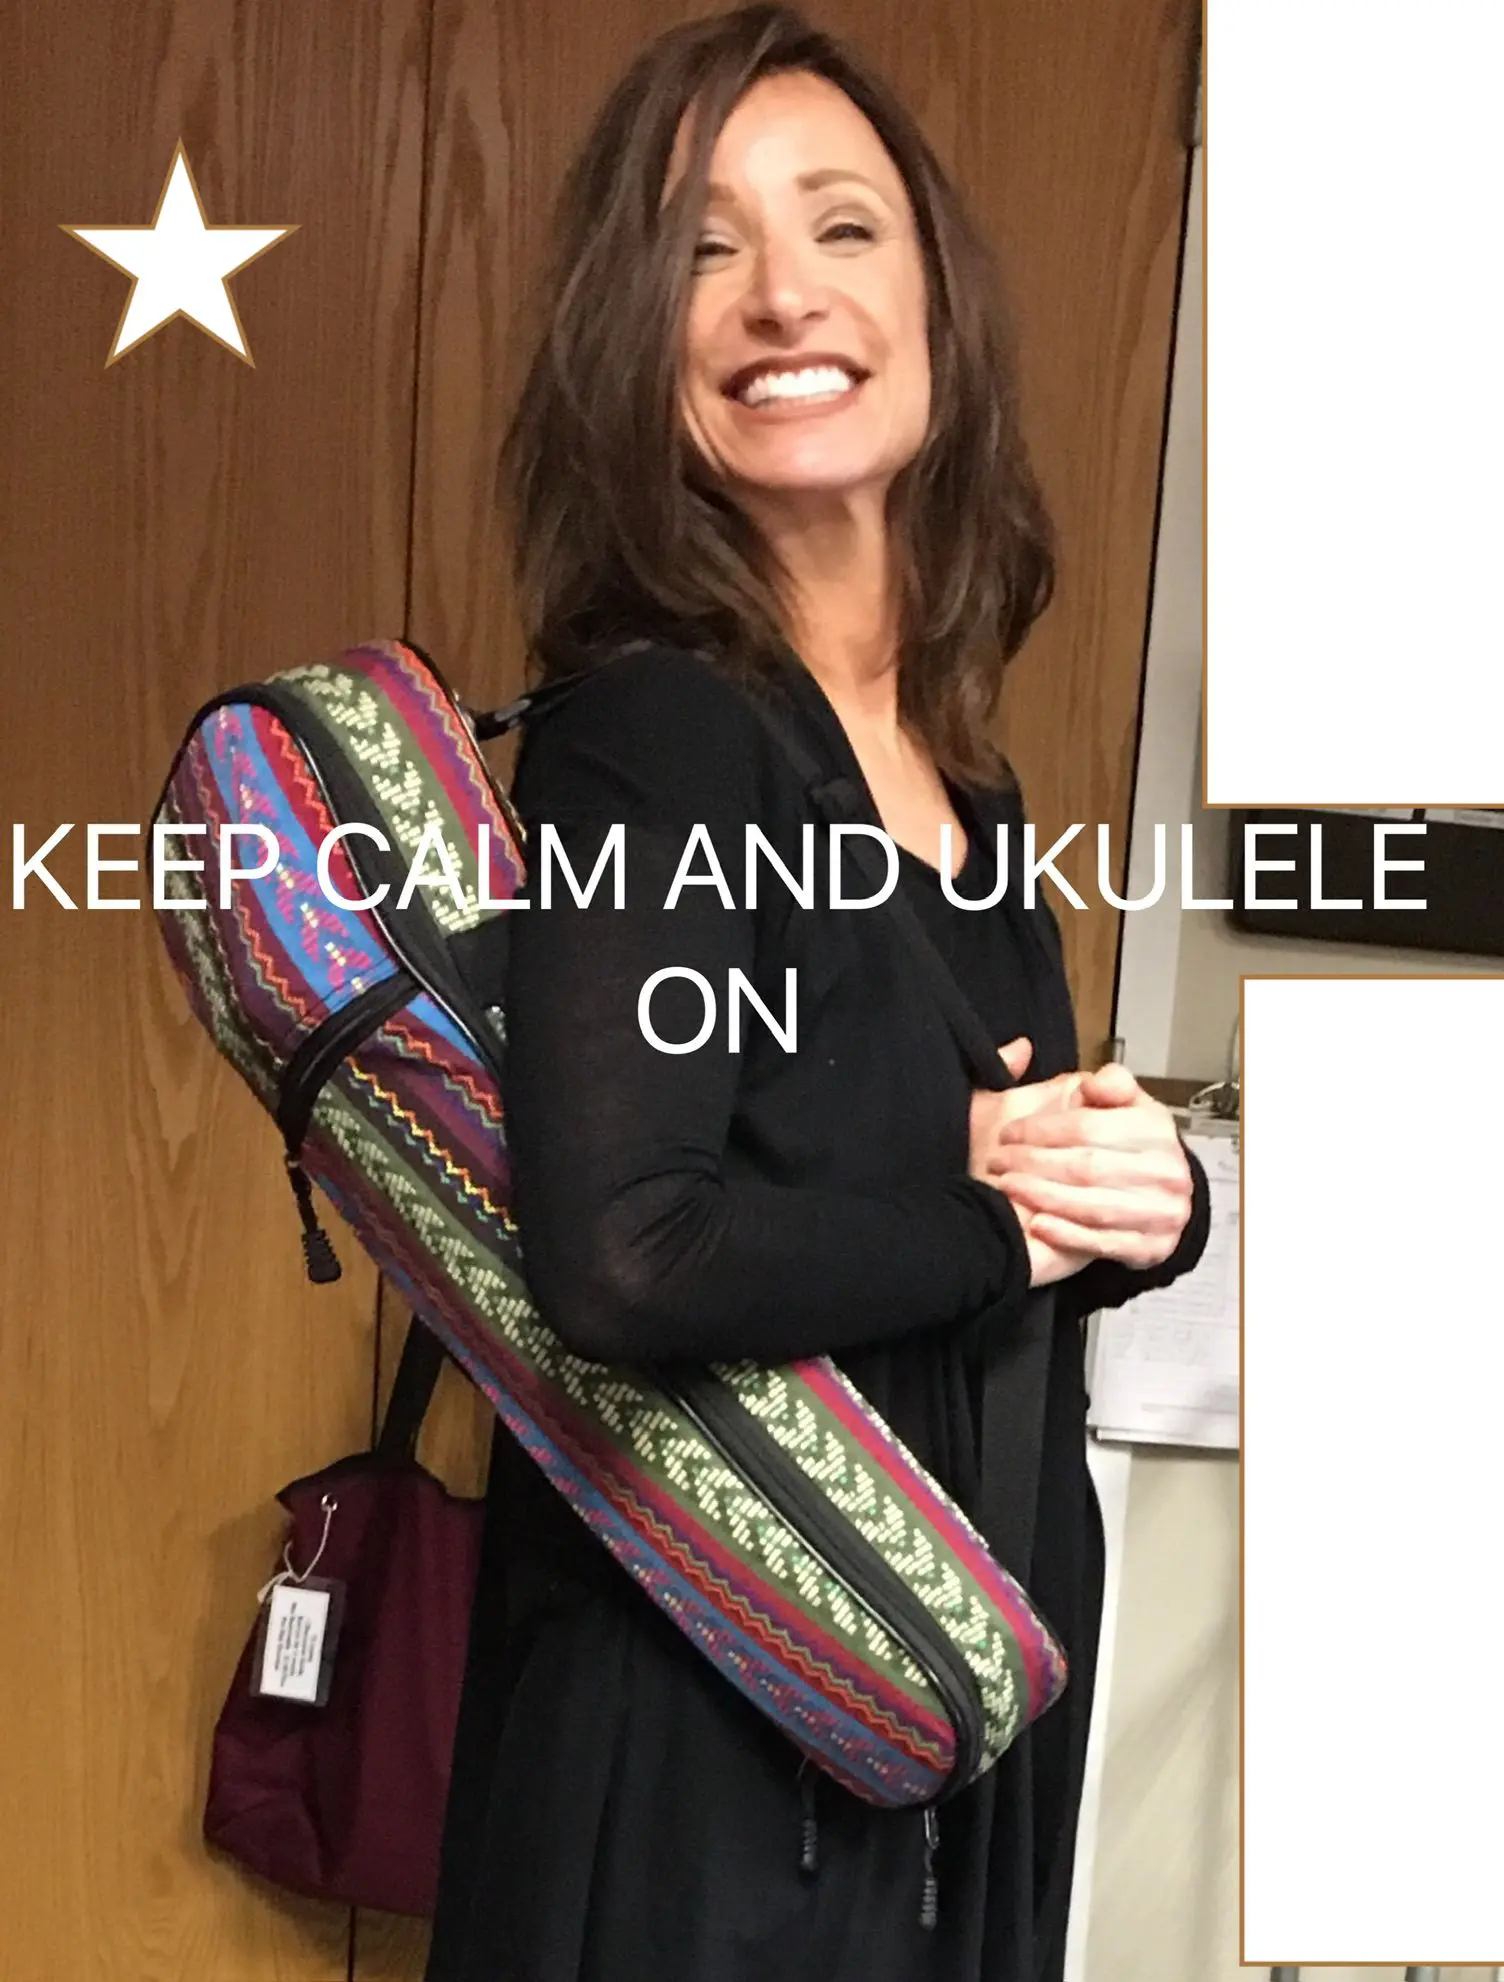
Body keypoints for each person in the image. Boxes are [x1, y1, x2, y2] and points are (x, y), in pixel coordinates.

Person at [424, 9, 1210, 1981]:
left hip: (937, 1701)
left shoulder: (954, 756)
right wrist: (991, 1212)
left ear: (935, 300)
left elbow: (932, 1192)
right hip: (721, 1736)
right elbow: (621, 1251)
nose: (781, 289)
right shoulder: (659, 728)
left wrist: (1138, 1207)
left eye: (841, 226)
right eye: (701, 247)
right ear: (638, 344)